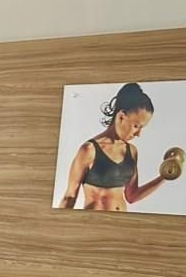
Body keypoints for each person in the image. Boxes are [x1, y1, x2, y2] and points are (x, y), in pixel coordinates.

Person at [57, 83, 170, 211]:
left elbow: (132, 196)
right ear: (121, 117)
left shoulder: (132, 151)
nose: (139, 134)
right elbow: (69, 197)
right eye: (136, 126)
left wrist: (164, 176)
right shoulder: (89, 150)